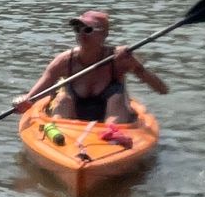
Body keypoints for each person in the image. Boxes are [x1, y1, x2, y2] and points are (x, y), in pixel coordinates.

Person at [18, 8, 166, 127]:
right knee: (63, 99)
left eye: (88, 30)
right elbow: (34, 96)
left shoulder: (119, 59)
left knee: (116, 98)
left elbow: (162, 89)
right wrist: (24, 101)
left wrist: (135, 64)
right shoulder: (64, 61)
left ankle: (111, 140)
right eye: (78, 29)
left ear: (104, 35)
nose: (82, 34)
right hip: (70, 118)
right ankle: (62, 138)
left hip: (113, 117)